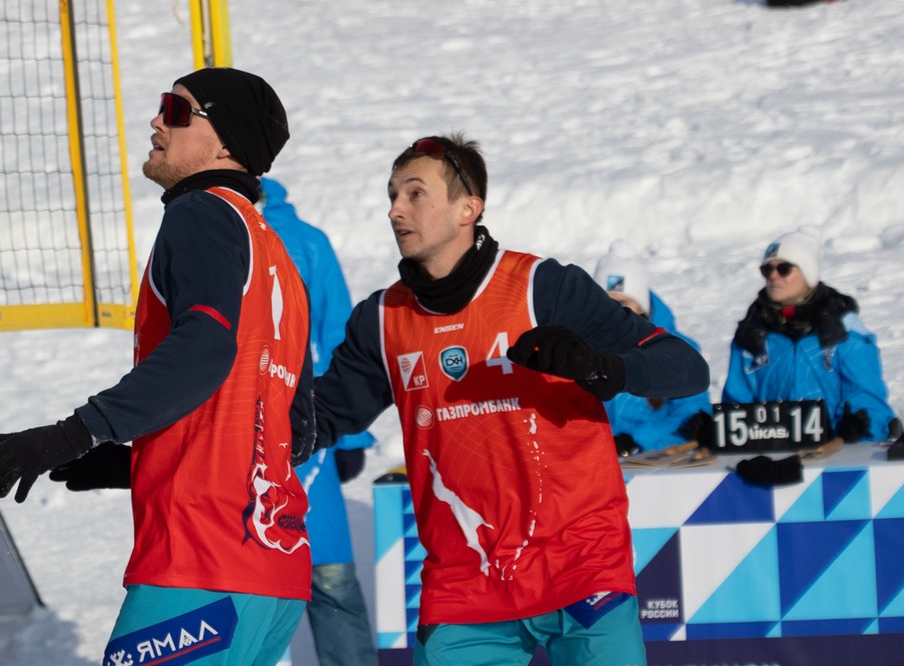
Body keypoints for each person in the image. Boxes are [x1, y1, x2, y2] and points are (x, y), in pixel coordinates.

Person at [314, 136, 710, 666]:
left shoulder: (543, 287)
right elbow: (322, 416)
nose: (395, 210)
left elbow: (686, 366)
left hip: (579, 568)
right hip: (465, 584)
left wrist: (600, 368)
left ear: (468, 208)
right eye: (392, 195)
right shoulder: (383, 318)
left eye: (415, 193)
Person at [0, 68, 315, 666]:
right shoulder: (277, 256)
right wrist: (139, 461)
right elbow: (297, 429)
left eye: (177, 110)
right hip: (274, 574)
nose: (157, 121)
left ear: (226, 143)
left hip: (201, 564)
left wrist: (76, 433)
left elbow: (203, 350)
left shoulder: (202, 213)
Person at [259, 175, 377, 666]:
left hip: (305, 427)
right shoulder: (211, 231)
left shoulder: (302, 241)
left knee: (324, 574)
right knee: (257, 584)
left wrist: (349, 434)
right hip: (261, 431)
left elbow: (337, 337)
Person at [726, 230, 898, 445]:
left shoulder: (845, 330)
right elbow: (736, 403)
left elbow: (867, 396)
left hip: (835, 452)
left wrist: (861, 425)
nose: (773, 276)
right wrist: (718, 430)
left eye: (783, 269)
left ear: (808, 273)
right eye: (767, 269)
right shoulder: (750, 334)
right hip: (771, 451)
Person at [593, 242, 713, 457]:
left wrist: (635, 440)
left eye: (623, 304)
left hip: (656, 463)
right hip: (596, 461)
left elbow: (693, 414)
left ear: (641, 307)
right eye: (606, 303)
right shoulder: (582, 346)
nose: (614, 313)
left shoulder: (675, 350)